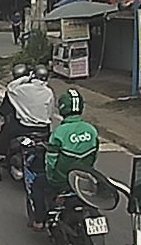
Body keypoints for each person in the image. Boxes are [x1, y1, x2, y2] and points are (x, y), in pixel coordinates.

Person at [30, 89, 99, 229]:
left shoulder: (59, 133)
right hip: (84, 178)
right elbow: (94, 156)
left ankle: (39, 221)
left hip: (62, 181)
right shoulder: (91, 130)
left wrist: (52, 178)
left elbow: (51, 161)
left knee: (37, 184)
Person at [0, 64, 54, 181]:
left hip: (24, 127)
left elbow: (10, 89)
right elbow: (50, 112)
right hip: (43, 128)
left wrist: (26, 78)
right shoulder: (49, 92)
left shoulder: (19, 90)